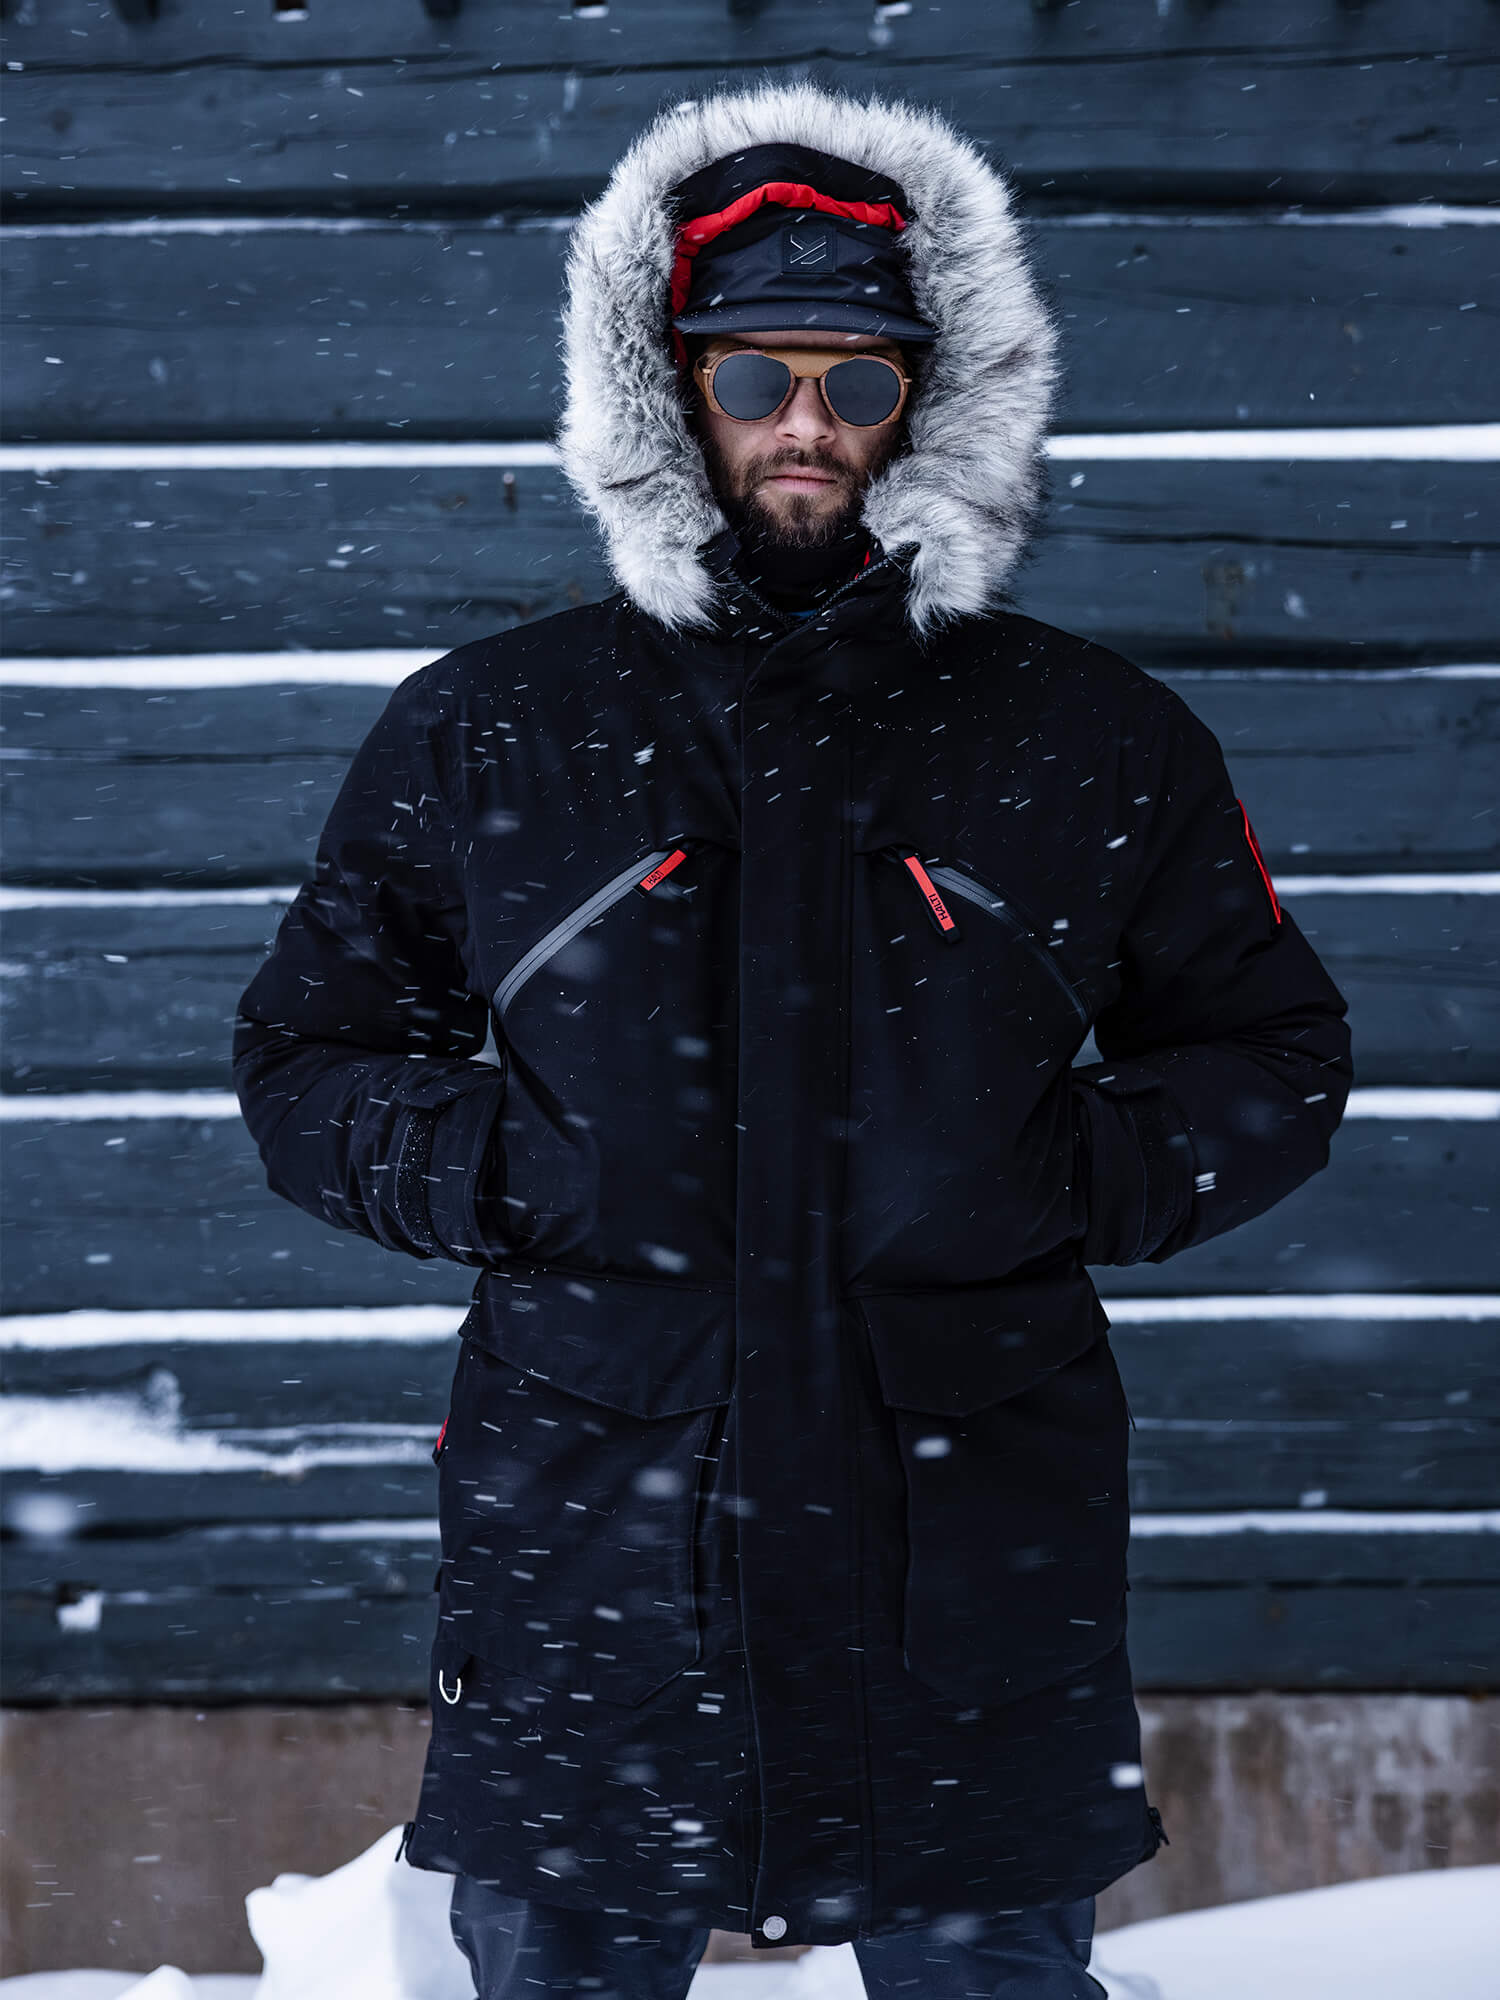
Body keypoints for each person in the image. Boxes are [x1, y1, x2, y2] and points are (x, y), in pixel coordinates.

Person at [232, 80, 1354, 1998]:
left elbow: (1273, 1051)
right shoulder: (496, 726)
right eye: (754, 379)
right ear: (671, 397)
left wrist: (1053, 1173)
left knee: (990, 1978)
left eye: (859, 380)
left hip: (967, 1512)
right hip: (599, 1514)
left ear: (933, 401)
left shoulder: (1089, 734)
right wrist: (512, 1169)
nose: (807, 424)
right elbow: (310, 1057)